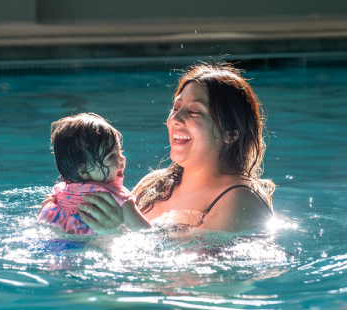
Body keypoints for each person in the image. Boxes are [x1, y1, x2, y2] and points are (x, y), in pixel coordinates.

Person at [41, 63, 275, 233]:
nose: (175, 119)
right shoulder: (154, 185)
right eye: (175, 108)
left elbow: (209, 281)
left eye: (194, 111)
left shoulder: (239, 201)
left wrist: (115, 235)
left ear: (231, 133)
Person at [37, 113, 151, 235]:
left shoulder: (58, 194)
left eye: (120, 151)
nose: (122, 159)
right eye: (112, 155)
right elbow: (146, 233)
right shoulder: (116, 195)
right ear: (84, 171)